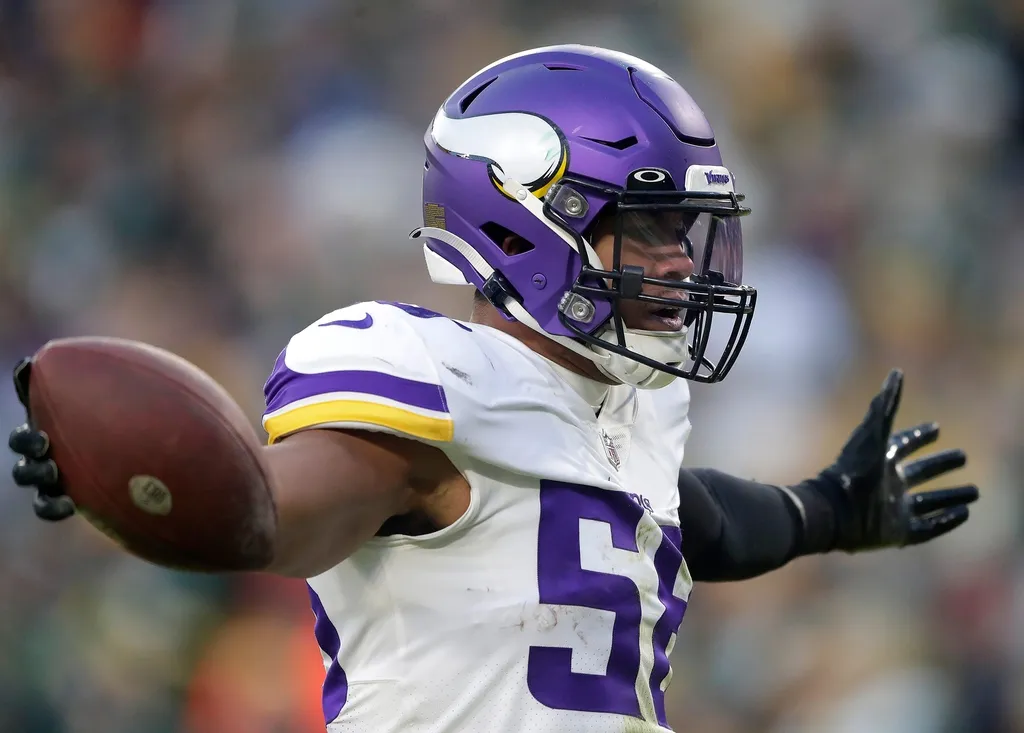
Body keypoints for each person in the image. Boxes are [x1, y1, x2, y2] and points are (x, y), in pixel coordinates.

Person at [7, 45, 978, 733]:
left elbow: (673, 520)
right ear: (522, 228)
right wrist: (127, 467)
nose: (680, 266)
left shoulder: (624, 413)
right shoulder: (432, 382)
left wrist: (821, 510)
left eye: (686, 233)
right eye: (645, 230)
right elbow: (271, 511)